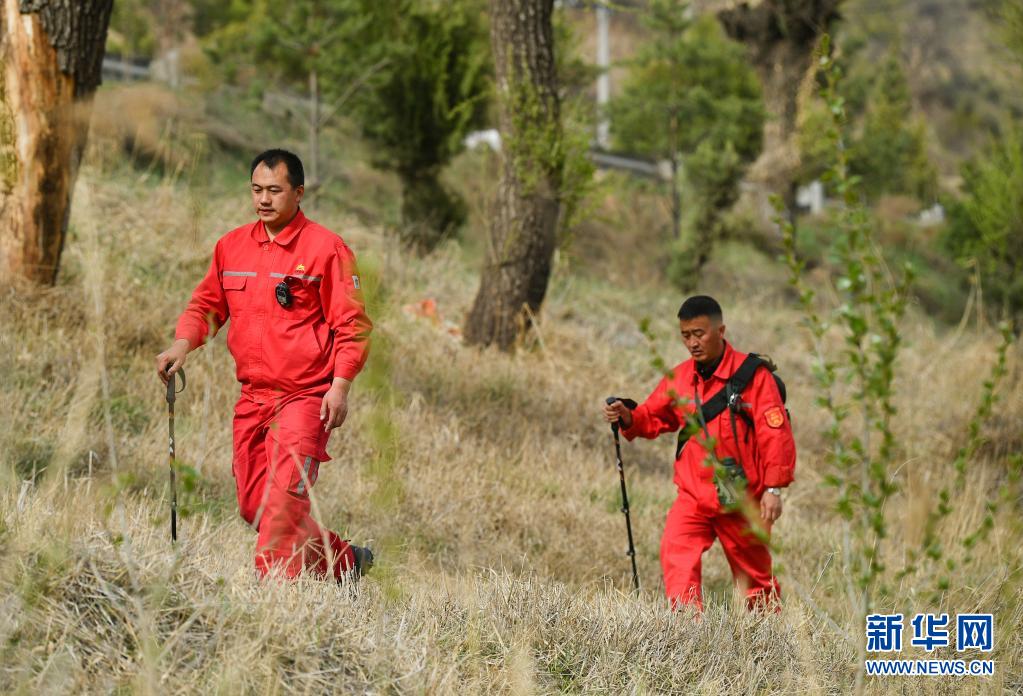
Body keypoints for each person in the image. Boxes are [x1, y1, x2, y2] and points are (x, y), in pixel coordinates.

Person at [156, 149, 373, 581]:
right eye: (257, 190)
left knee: (283, 507)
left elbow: (353, 326)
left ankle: (274, 603)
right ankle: (346, 562)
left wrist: (340, 385)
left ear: (299, 192)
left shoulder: (326, 249)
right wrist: (183, 344)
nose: (264, 199)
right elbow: (207, 306)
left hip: (305, 397)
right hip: (253, 398)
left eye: (275, 190)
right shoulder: (232, 246)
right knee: (255, 506)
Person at [603, 295, 795, 611]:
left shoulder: (755, 378)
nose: (692, 343)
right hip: (694, 493)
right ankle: (687, 629)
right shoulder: (680, 378)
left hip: (743, 498)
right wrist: (626, 415)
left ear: (720, 330)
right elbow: (651, 417)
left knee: (755, 584)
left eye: (699, 334)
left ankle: (767, 634)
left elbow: (775, 434)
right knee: (677, 554)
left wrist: (773, 489)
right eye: (686, 335)